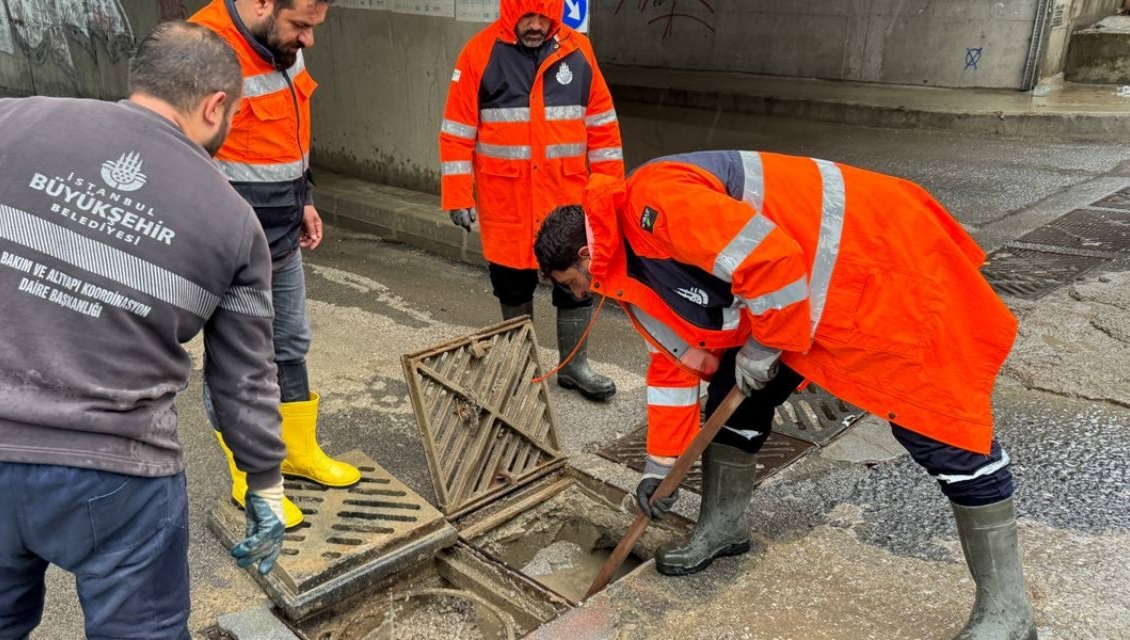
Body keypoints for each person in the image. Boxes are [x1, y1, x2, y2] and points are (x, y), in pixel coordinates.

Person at [0, 22, 289, 638]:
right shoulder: (233, 220)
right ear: (215, 105)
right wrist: (265, 481)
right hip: (118, 471)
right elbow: (244, 379)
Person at [533, 151, 1035, 640]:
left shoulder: (657, 202)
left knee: (943, 432)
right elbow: (674, 361)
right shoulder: (627, 268)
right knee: (736, 397)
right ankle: (723, 528)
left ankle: (1008, 612)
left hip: (883, 264)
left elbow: (772, 259)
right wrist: (659, 471)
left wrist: (764, 346)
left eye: (572, 283)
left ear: (584, 253)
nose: (579, 295)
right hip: (796, 300)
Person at [191, 0, 359, 529]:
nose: (308, 40)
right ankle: (249, 475)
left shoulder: (283, 45)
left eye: (314, 26)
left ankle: (297, 452)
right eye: (301, 25)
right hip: (227, 245)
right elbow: (178, 158)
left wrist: (304, 197)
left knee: (290, 344)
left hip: (282, 234)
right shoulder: (201, 52)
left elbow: (288, 129)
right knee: (240, 362)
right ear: (262, 3)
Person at [438, 0, 624, 401]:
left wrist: (610, 195)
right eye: (527, 16)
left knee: (578, 281)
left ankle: (574, 367)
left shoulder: (579, 50)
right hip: (507, 199)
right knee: (511, 283)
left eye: (544, 16)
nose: (536, 25)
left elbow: (603, 127)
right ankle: (519, 369)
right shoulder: (479, 53)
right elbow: (457, 131)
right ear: (509, 12)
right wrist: (456, 194)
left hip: (567, 196)